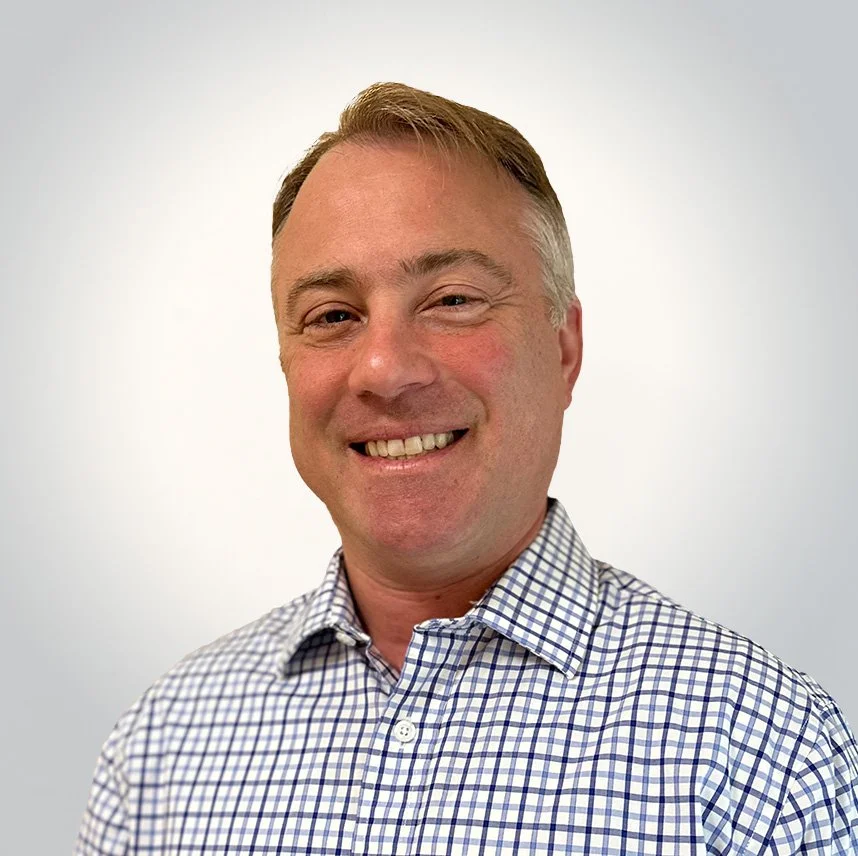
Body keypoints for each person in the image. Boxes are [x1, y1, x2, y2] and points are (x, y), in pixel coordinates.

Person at [77, 83, 858, 855]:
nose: (384, 369)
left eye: (452, 300)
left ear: (564, 349)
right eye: (333, 316)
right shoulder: (159, 750)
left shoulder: (766, 760)